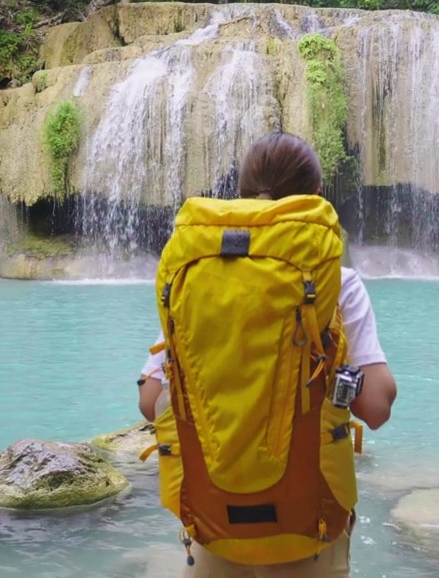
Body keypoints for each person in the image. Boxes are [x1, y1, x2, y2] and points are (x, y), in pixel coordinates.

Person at [137, 131, 397, 578]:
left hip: (213, 521)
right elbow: (375, 408)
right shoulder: (339, 282)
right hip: (306, 522)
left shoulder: (193, 280)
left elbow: (149, 401)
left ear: (241, 199)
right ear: (315, 200)